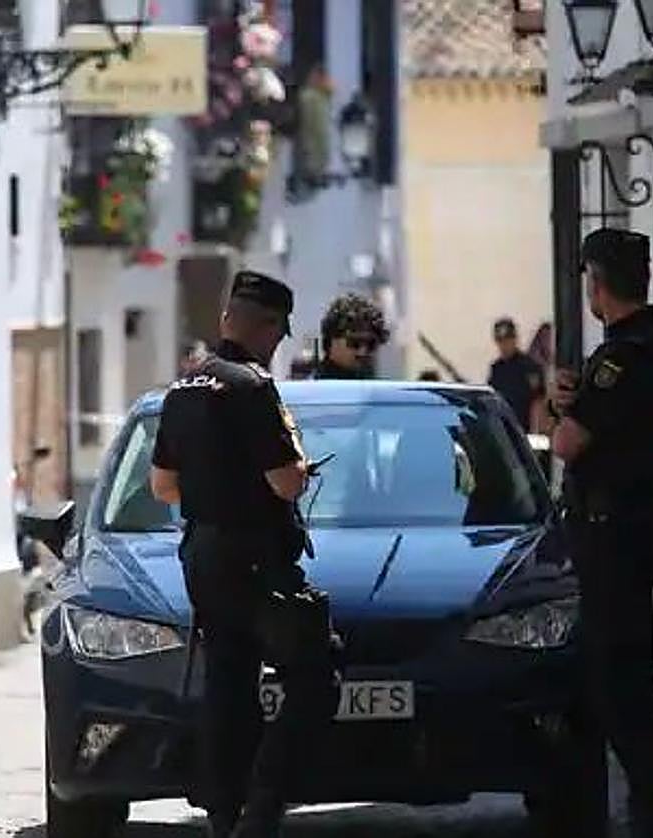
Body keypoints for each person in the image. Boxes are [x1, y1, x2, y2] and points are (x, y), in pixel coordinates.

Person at [150, 271, 338, 838]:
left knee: (229, 681)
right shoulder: (254, 387)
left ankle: (224, 814)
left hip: (203, 556)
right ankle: (264, 805)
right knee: (315, 673)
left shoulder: (183, 388)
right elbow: (286, 481)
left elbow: (163, 486)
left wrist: (215, 494)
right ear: (271, 330)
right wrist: (293, 475)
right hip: (257, 557)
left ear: (225, 319)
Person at [547, 228, 653, 838]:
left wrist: (565, 414)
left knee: (618, 680)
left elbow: (568, 444)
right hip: (625, 534)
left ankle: (647, 812)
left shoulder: (622, 358)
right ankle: (641, 805)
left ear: (596, 283)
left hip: (613, 538)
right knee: (617, 674)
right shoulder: (649, 348)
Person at [488, 317, 546, 432]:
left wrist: (536, 431)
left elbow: (538, 401)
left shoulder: (529, 367)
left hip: (525, 430)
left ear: (515, 339)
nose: (504, 345)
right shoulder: (496, 369)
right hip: (503, 429)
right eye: (500, 341)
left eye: (508, 340)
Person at [315, 293, 390, 380]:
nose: (362, 352)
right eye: (355, 343)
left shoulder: (378, 391)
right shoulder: (311, 390)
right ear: (330, 343)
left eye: (371, 345)